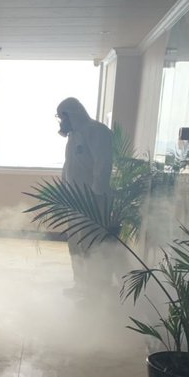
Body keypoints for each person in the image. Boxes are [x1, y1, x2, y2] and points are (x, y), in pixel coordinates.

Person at [55, 97, 113, 293]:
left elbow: (103, 164)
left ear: (72, 115)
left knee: (91, 244)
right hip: (74, 199)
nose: (61, 122)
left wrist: (96, 195)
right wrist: (64, 191)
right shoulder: (73, 136)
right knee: (76, 243)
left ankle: (94, 289)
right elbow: (69, 166)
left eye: (62, 117)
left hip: (92, 201)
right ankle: (80, 284)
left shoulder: (97, 131)